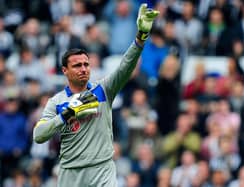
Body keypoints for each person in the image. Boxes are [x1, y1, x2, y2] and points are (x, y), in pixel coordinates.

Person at [32, 4, 159, 187]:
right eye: (77, 66)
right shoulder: (57, 102)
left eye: (86, 64)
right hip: (71, 172)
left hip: (102, 169)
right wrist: (67, 114)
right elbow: (39, 135)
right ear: (64, 71)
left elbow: (125, 67)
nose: (83, 69)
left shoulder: (103, 89)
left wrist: (140, 38)